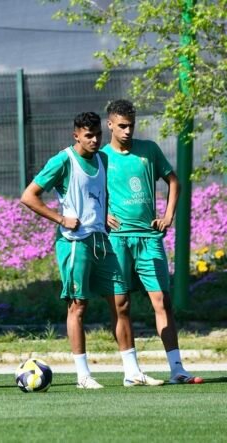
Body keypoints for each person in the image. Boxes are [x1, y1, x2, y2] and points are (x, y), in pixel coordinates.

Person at [20, 111, 164, 389]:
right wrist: (61, 219)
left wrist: (106, 215)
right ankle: (83, 376)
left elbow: (102, 194)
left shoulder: (103, 159)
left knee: (121, 302)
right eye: (89, 136)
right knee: (78, 306)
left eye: (98, 134)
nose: (95, 140)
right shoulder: (63, 160)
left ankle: (132, 372)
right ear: (76, 135)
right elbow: (28, 196)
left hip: (102, 241)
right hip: (75, 242)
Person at [102, 99, 203, 384]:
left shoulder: (149, 150)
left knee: (162, 301)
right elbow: (88, 192)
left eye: (131, 125)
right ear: (110, 124)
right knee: (121, 304)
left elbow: (174, 182)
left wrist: (168, 215)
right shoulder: (101, 157)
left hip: (149, 238)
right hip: (117, 240)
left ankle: (177, 369)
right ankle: (131, 372)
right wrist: (102, 214)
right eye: (122, 126)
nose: (127, 131)